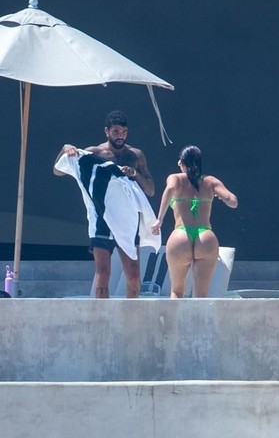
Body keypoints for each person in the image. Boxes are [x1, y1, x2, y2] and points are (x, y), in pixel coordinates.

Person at [55, 110, 155, 298]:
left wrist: (134, 174)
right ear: (107, 131)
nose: (120, 136)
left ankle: (132, 314)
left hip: (127, 219)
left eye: (124, 132)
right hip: (102, 217)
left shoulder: (135, 155)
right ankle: (102, 314)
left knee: (134, 276)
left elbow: (150, 190)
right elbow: (58, 170)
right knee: (103, 274)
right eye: (116, 132)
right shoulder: (94, 153)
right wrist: (65, 149)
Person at [152, 145, 238, 298]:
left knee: (177, 291)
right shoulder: (211, 181)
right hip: (205, 237)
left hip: (181, 235)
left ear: (181, 163)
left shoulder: (175, 179)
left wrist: (159, 219)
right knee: (201, 294)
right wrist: (223, 198)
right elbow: (233, 201)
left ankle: (177, 316)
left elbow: (169, 189)